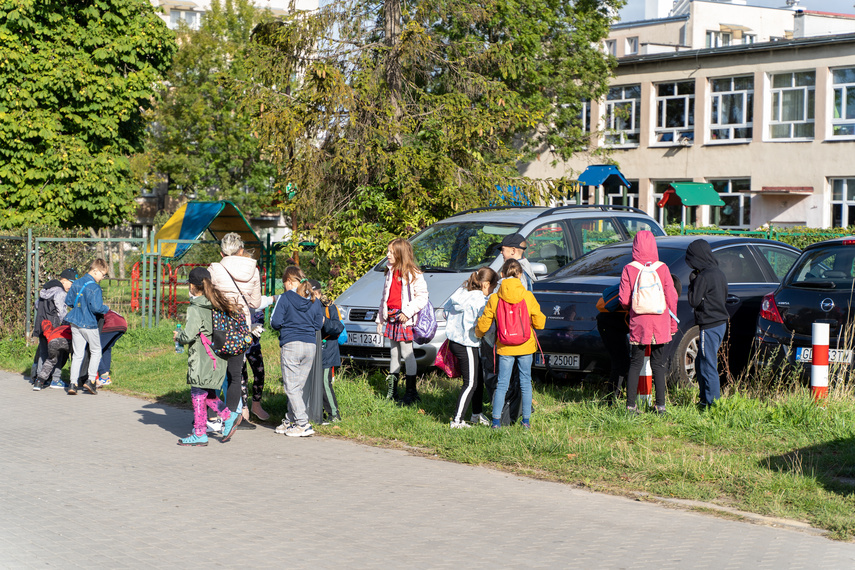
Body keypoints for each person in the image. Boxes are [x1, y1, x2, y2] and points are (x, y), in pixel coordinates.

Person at [476, 259, 546, 429]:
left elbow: (484, 323)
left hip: (505, 346)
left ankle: (496, 422)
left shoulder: (495, 298)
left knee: (502, 384)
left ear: (501, 275)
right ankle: (526, 422)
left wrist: (477, 333)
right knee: (525, 383)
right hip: (525, 346)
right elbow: (540, 323)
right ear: (520, 274)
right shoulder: (528, 296)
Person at [174, 267, 241, 446]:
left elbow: (188, 335)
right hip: (216, 357)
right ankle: (228, 417)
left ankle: (200, 432)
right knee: (209, 394)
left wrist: (178, 336)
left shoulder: (195, 308)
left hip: (202, 360)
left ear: (192, 286)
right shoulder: (215, 305)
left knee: (197, 393)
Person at [618, 231, 678, 415]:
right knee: (658, 364)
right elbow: (672, 297)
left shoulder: (630, 268)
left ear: (634, 246)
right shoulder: (663, 268)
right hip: (660, 322)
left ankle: (630, 406)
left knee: (635, 364)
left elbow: (623, 300)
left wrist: (633, 309)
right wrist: (672, 324)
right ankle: (660, 406)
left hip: (639, 322)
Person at [209, 233, 263, 424]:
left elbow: (207, 295)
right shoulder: (253, 270)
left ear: (222, 252)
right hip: (241, 327)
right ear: (241, 250)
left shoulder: (215, 268)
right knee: (235, 374)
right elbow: (255, 302)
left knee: (214, 371)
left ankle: (212, 416)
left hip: (219, 326)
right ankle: (233, 418)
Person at [271, 266, 324, 437]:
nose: (284, 286)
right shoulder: (314, 299)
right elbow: (318, 325)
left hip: (291, 344)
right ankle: (290, 420)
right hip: (310, 346)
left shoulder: (285, 298)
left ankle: (303, 423)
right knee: (297, 387)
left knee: (292, 387)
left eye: (284, 282)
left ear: (289, 281)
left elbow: (275, 322)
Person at [375, 238, 429, 406]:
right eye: (388, 251)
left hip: (404, 318)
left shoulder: (413, 273)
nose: (387, 255)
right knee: (393, 353)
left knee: (407, 353)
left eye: (391, 252)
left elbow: (423, 297)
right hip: (391, 316)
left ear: (400, 254)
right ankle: (393, 392)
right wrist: (380, 319)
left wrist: (407, 311)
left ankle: (411, 393)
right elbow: (385, 297)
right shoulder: (389, 271)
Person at [443, 267, 497, 428]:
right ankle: (457, 420)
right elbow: (484, 326)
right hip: (467, 343)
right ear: (486, 285)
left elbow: (446, 310)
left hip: (455, 341)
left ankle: (476, 413)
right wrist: (492, 341)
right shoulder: (480, 301)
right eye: (493, 288)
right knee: (471, 383)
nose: (493, 291)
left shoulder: (460, 293)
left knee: (477, 379)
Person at [686, 239, 729, 408]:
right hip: (720, 323)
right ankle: (705, 399)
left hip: (709, 325)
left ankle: (711, 404)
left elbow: (693, 301)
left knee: (707, 363)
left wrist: (692, 283)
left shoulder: (702, 277)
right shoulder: (719, 273)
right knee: (701, 361)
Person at [65, 259, 110, 395]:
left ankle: (73, 383)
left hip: (75, 322)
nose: (102, 278)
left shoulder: (77, 282)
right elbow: (96, 308)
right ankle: (90, 381)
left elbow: (69, 301)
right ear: (95, 270)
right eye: (102, 274)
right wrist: (106, 308)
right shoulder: (95, 287)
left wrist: (80, 306)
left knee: (78, 354)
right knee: (96, 350)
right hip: (89, 323)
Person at [31, 268, 77, 390]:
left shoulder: (45, 291)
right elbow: (62, 312)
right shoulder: (60, 293)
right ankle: (56, 380)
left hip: (41, 326)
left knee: (44, 353)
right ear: (64, 280)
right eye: (71, 283)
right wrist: (67, 323)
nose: (71, 286)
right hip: (54, 328)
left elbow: (36, 305)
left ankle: (41, 379)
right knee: (58, 353)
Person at [309, 280, 345, 424]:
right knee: (312, 383)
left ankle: (334, 414)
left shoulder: (329, 307)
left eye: (315, 295)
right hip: (312, 350)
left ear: (319, 293)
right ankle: (314, 413)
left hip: (328, 350)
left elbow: (338, 327)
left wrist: (324, 321)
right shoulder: (305, 307)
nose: (313, 298)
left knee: (324, 383)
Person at [595, 283, 630, 405]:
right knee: (620, 362)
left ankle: (617, 396)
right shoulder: (643, 295)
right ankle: (611, 400)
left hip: (614, 324)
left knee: (624, 361)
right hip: (609, 325)